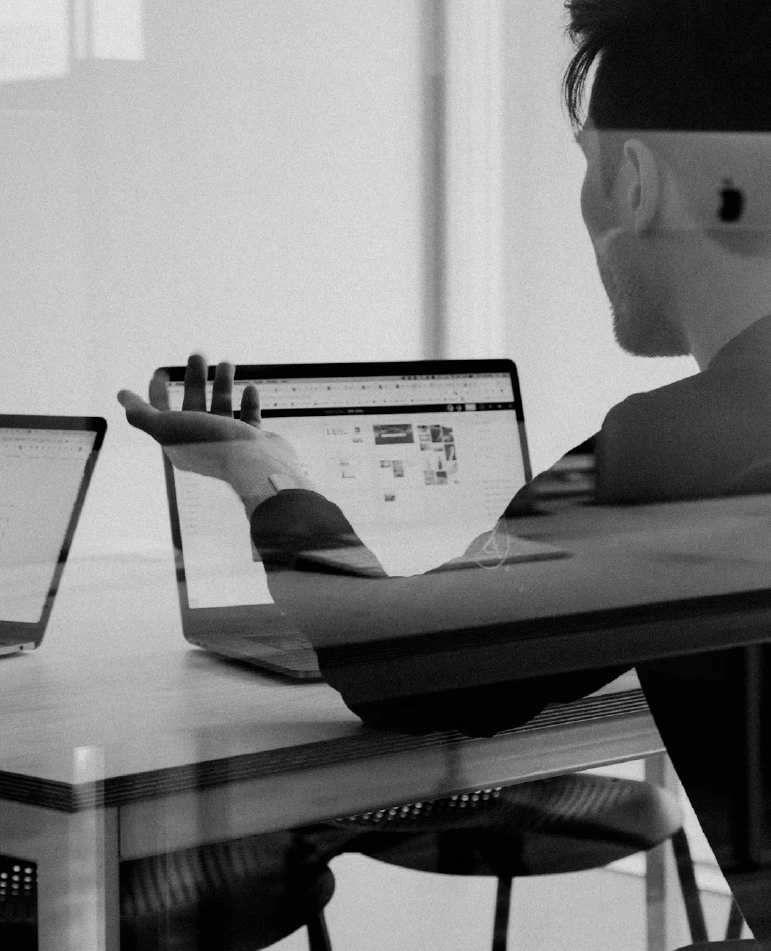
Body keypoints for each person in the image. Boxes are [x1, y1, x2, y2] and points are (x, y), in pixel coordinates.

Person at [119, 0, 771, 934]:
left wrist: (265, 474)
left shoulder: (676, 450)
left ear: (633, 180)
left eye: (586, 166)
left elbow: (406, 660)